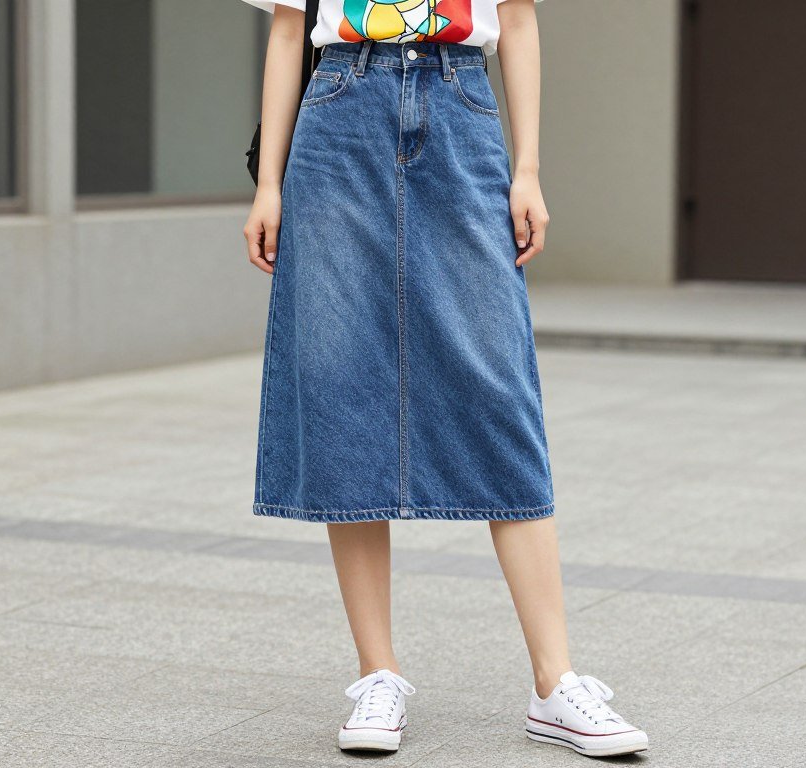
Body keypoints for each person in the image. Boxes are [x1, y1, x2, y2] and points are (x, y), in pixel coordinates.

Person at [240, 0, 647, 757]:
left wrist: (527, 170)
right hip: (337, 112)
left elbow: (518, 22)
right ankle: (377, 675)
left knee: (498, 389)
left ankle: (556, 683)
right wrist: (269, 184)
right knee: (341, 383)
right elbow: (289, 31)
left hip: (462, 104)